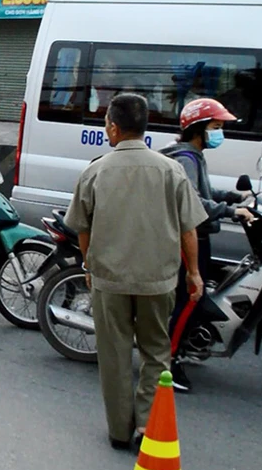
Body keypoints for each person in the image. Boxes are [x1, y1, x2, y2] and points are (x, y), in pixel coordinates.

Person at [65, 93, 207, 451]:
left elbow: (82, 228)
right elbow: (189, 229)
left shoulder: (95, 170)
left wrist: (89, 266)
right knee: (156, 352)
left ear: (112, 126)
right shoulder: (171, 170)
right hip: (158, 280)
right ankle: (147, 424)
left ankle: (118, 430)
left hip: (109, 280)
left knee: (113, 355)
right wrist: (193, 273)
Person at [161, 97, 254, 393]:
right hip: (188, 239)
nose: (219, 133)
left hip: (198, 236)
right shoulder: (186, 158)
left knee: (192, 298)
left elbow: (205, 190)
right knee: (190, 299)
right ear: (198, 128)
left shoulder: (194, 156)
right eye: (215, 127)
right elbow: (193, 201)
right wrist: (230, 211)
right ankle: (169, 362)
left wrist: (234, 197)